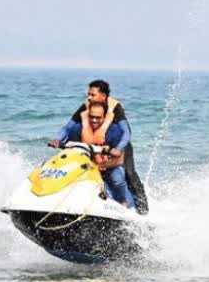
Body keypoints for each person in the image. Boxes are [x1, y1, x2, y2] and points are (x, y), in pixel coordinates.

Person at [55, 79, 150, 214]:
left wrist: (119, 148)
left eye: (92, 95)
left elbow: (126, 132)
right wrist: (58, 139)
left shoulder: (115, 107)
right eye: (88, 94)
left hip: (120, 145)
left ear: (103, 96)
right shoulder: (87, 106)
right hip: (100, 145)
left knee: (129, 174)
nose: (89, 97)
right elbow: (68, 126)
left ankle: (142, 209)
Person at [51, 101, 135, 208]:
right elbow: (70, 151)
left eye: (98, 118)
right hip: (85, 167)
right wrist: (57, 142)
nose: (94, 120)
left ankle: (124, 202)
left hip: (108, 167)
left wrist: (99, 166)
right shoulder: (78, 129)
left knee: (117, 178)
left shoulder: (114, 131)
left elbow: (120, 160)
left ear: (104, 117)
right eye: (91, 117)